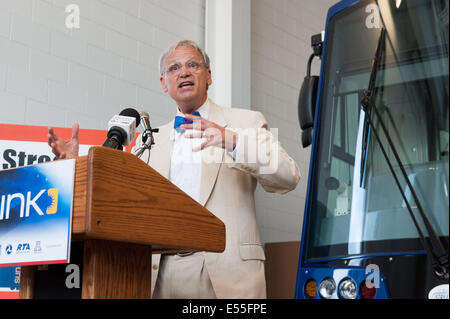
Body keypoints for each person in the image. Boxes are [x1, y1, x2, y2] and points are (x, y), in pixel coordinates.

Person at [48, 40, 300, 299]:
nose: (184, 72)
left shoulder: (246, 122)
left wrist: (233, 140)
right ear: (163, 83)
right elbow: (115, 202)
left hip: (226, 272)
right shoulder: (149, 141)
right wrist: (73, 166)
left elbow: (288, 176)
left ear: (209, 76)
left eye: (193, 64)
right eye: (174, 68)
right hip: (161, 272)